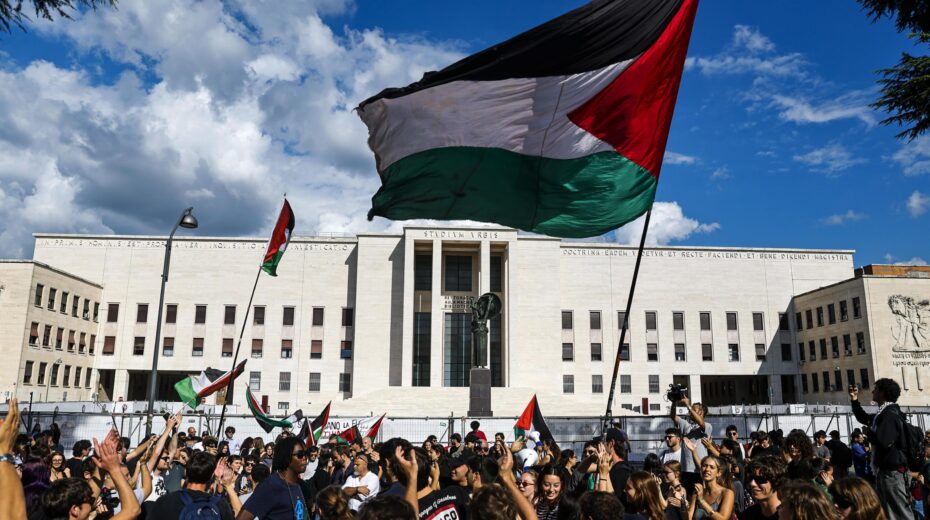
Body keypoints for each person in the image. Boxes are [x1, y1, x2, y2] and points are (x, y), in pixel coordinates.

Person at [850, 379, 912, 520]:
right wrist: (854, 399)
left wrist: (868, 433)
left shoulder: (889, 414)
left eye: (876, 389)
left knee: (900, 512)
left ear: (883, 393)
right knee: (889, 513)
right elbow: (864, 418)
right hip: (887, 472)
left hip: (893, 473)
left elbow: (884, 440)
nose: (873, 391)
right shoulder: (883, 413)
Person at [238, 436, 310, 519]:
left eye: (306, 454)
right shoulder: (270, 486)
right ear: (286, 456)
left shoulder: (303, 486)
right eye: (300, 455)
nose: (305, 458)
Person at [150, 451, 238, 519]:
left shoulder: (166, 501)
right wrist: (227, 485)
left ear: (186, 472)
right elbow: (240, 514)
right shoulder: (219, 504)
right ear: (211, 476)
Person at [738, 455, 786, 520]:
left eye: (760, 479)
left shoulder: (790, 515)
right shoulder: (748, 515)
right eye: (750, 478)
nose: (752, 484)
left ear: (777, 481)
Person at [688, 455, 734, 520]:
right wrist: (682, 503)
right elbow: (689, 517)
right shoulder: (697, 492)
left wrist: (702, 501)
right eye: (704, 466)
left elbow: (723, 518)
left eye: (712, 467)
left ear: (718, 473)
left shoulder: (727, 493)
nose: (707, 469)